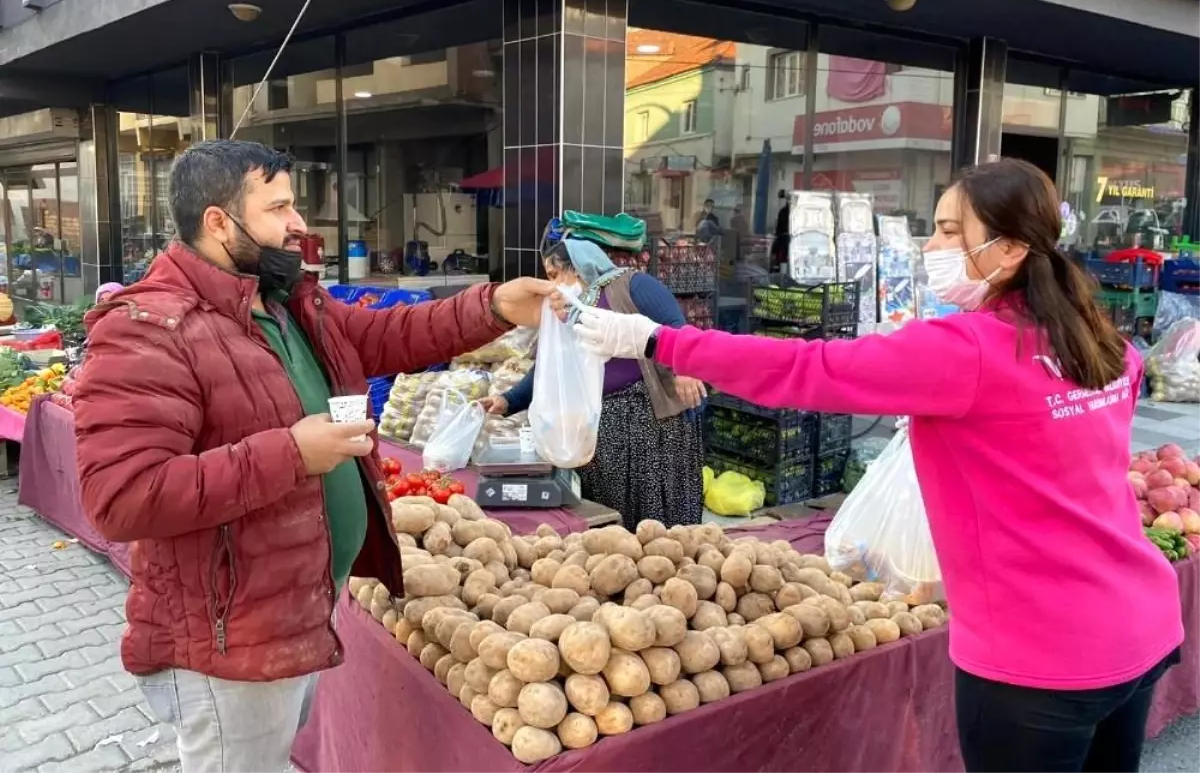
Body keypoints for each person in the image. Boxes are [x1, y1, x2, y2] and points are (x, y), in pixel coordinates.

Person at [569, 158, 1182, 773]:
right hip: (1141, 620)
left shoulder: (966, 349)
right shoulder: (1102, 341)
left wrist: (657, 340)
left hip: (1041, 657)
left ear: (1012, 248)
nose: (932, 245)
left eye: (948, 231)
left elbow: (806, 369)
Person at [73, 140, 552, 773]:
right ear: (219, 223)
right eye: (279, 207)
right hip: (230, 634)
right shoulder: (147, 329)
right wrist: (293, 453)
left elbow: (384, 334)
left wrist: (490, 307)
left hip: (293, 608)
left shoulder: (281, 301)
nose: (298, 224)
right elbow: (123, 497)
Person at [480, 222, 706, 526]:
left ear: (576, 268)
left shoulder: (633, 285)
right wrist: (508, 401)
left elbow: (677, 327)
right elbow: (550, 367)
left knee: (654, 518)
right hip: (600, 431)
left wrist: (685, 369)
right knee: (609, 519)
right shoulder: (567, 310)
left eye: (554, 275)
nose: (553, 286)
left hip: (650, 427)